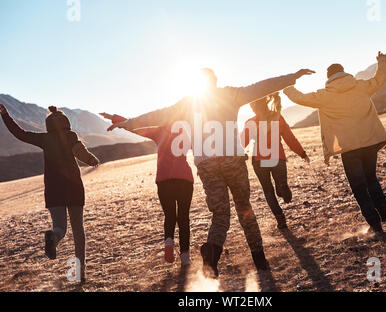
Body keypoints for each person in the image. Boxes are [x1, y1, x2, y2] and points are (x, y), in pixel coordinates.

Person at [107, 67, 315, 277]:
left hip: (206, 163)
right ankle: (259, 258)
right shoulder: (231, 94)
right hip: (232, 158)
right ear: (215, 82)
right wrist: (292, 77)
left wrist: (128, 122)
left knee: (220, 213)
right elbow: (262, 87)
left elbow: (158, 115)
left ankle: (212, 253)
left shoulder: (188, 104)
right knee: (244, 207)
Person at [283, 52, 386, 233]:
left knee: (359, 186)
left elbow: (300, 98)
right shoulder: (360, 87)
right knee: (371, 179)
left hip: (349, 149)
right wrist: (382, 61)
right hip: (369, 143)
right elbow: (380, 78)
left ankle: (375, 225)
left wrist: (287, 86)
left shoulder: (325, 96)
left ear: (329, 78)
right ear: (344, 73)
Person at [0, 104, 99, 282]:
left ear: (48, 125)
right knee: (78, 231)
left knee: (60, 227)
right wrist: (91, 160)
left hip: (53, 190)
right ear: (66, 123)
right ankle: (79, 273)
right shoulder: (70, 136)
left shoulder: (44, 139)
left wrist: (5, 115)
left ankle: (53, 236)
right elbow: (79, 151)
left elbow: (20, 133)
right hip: (74, 187)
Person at [100, 113, 194, 266]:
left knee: (169, 216)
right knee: (183, 218)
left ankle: (169, 242)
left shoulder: (160, 130)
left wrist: (118, 120)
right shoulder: (188, 131)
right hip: (184, 179)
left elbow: (138, 127)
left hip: (164, 180)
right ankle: (185, 255)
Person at [241, 93, 310, 229]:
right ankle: (282, 185)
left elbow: (241, 143)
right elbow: (289, 138)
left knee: (268, 191)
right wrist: (302, 153)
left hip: (259, 161)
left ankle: (280, 219)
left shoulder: (251, 122)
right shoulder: (277, 117)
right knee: (280, 186)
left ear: (254, 107)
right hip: (277, 158)